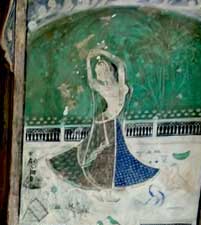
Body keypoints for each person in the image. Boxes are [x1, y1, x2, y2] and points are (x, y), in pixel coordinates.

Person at [49, 48, 158, 190]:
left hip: (112, 121)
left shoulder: (120, 86)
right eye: (98, 73)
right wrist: (88, 59)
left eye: (101, 72)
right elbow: (90, 81)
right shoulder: (101, 88)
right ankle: (100, 179)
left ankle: (108, 181)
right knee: (100, 151)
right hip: (104, 120)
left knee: (113, 152)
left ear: (110, 71)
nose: (100, 75)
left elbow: (120, 64)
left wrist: (103, 53)